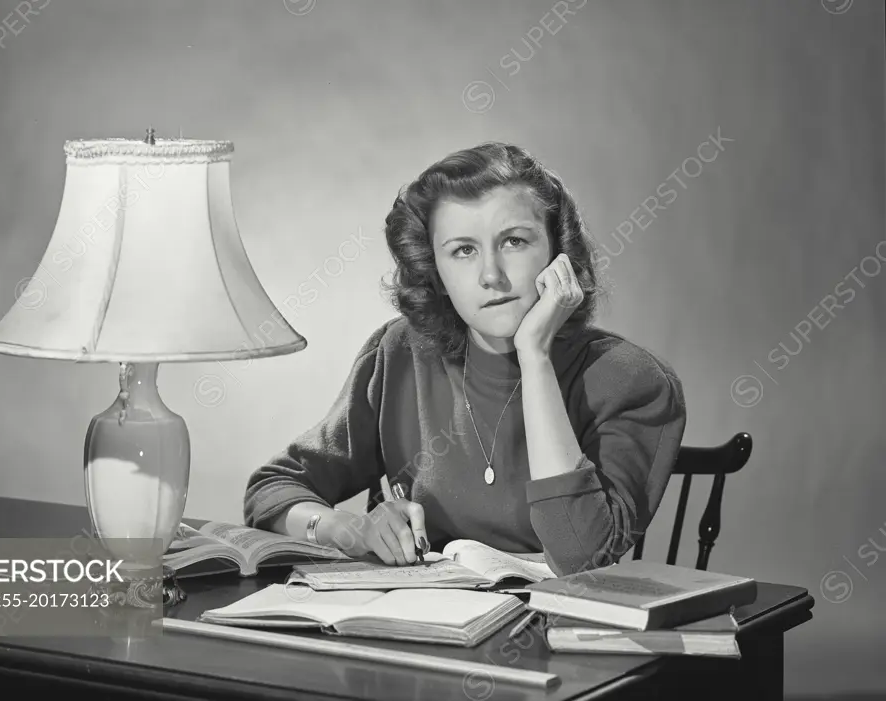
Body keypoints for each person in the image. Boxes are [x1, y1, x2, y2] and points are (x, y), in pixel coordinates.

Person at [243, 142, 687, 576]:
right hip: (423, 634)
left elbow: (580, 559)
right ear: (434, 269)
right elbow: (271, 490)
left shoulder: (630, 380)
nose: (491, 276)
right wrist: (346, 528)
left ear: (557, 251)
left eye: (514, 241)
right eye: (463, 250)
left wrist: (535, 356)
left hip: (557, 639)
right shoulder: (400, 353)